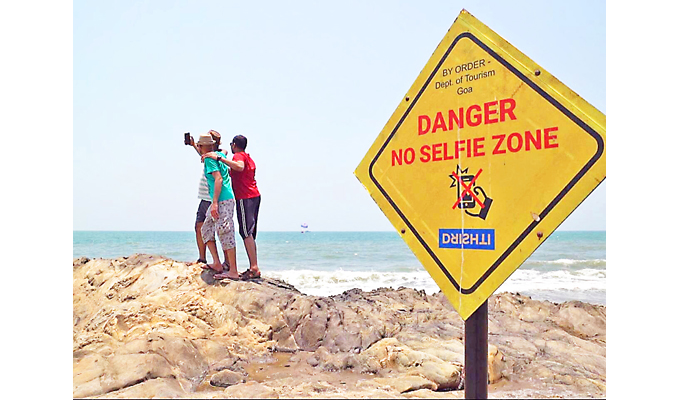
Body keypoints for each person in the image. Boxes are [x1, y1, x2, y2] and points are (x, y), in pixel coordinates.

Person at [203, 134, 262, 280]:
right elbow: (223, 157)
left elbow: (239, 167)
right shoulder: (246, 157)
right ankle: (244, 265)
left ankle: (253, 267)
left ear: (234, 145)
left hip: (245, 196)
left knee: (245, 232)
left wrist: (219, 158)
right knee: (248, 232)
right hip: (253, 195)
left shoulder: (238, 156)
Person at [196, 132, 240, 279]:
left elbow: (218, 179)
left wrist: (214, 202)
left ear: (201, 146)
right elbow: (223, 153)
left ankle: (233, 270)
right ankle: (217, 263)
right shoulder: (217, 155)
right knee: (206, 228)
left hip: (222, 199)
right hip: (225, 198)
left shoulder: (210, 159)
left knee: (225, 231)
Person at [186, 130, 227, 266]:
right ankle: (203, 258)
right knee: (200, 226)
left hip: (212, 198)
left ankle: (222, 261)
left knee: (219, 229)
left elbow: (222, 153)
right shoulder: (208, 157)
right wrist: (194, 145)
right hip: (205, 198)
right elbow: (203, 154)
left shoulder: (218, 155)